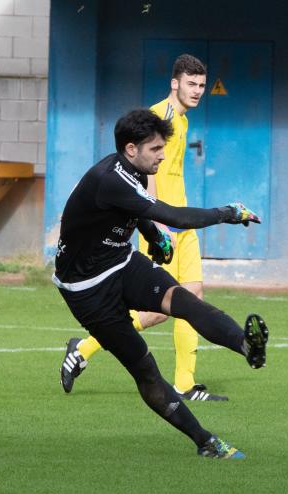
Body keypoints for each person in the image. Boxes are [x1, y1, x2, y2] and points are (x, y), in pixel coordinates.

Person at [53, 109, 268, 458]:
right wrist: (226, 213)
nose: (163, 155)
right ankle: (206, 442)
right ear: (131, 148)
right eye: (155, 148)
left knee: (186, 302)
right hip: (88, 290)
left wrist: (154, 239)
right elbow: (173, 215)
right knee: (146, 372)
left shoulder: (132, 172)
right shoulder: (110, 179)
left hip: (121, 263)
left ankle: (247, 347)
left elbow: (135, 212)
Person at [61, 54, 225, 401]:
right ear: (174, 83)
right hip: (166, 225)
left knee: (192, 296)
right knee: (157, 312)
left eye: (201, 85)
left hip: (182, 223)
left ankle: (185, 384)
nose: (197, 91)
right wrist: (156, 227)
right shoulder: (160, 117)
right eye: (190, 84)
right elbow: (144, 179)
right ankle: (85, 348)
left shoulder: (182, 121)